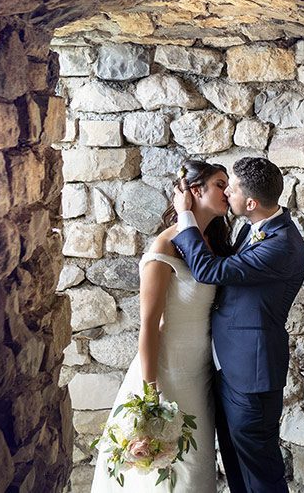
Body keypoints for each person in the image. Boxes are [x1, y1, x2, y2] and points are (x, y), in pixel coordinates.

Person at [90, 160, 232, 493]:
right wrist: (150, 392)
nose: (228, 192)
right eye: (220, 184)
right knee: (167, 476)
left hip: (201, 375)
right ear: (195, 191)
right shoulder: (164, 247)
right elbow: (149, 326)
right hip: (167, 374)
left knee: (196, 470)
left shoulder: (212, 243)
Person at [171, 157, 304, 493]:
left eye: (230, 187)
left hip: (253, 376)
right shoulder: (250, 227)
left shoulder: (281, 246)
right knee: (235, 462)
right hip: (229, 367)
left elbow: (211, 271)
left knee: (261, 472)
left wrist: (185, 216)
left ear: (250, 202)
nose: (226, 191)